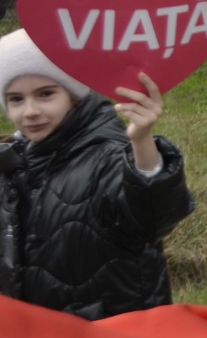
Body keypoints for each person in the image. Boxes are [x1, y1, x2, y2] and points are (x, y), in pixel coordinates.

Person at [0, 31, 194, 319]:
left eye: (45, 94)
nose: (30, 111)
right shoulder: (11, 163)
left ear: (74, 94)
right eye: (16, 99)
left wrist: (141, 141)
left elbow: (154, 215)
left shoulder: (107, 154)